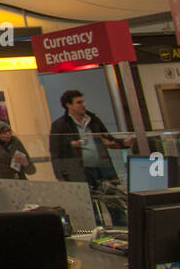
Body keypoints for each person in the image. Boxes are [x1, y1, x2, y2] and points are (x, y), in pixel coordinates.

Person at [48, 90, 130, 224]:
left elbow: (107, 138)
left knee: (114, 202)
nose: (83, 105)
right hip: (79, 171)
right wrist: (61, 176)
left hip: (102, 168)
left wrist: (123, 143)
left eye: (83, 101)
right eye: (78, 102)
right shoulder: (60, 125)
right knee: (90, 206)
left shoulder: (93, 120)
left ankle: (122, 230)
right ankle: (98, 232)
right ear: (69, 105)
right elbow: (55, 152)